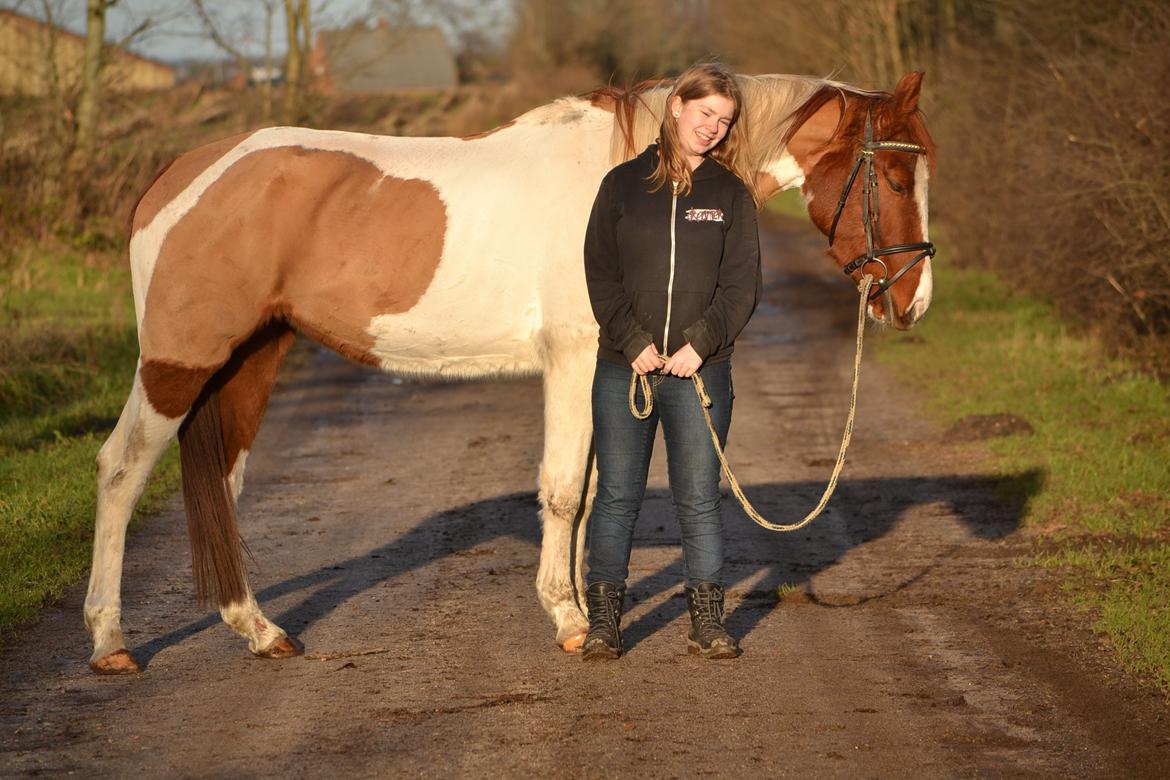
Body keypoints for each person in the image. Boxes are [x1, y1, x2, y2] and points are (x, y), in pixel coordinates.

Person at [582, 61, 763, 660]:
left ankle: (708, 624)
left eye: (724, 120)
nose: (712, 127)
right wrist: (633, 341)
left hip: (699, 374)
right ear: (678, 107)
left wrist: (699, 345)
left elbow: (742, 287)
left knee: (699, 497)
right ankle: (606, 624)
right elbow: (600, 273)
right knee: (616, 497)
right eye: (705, 112)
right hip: (624, 369)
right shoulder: (622, 185)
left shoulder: (730, 194)